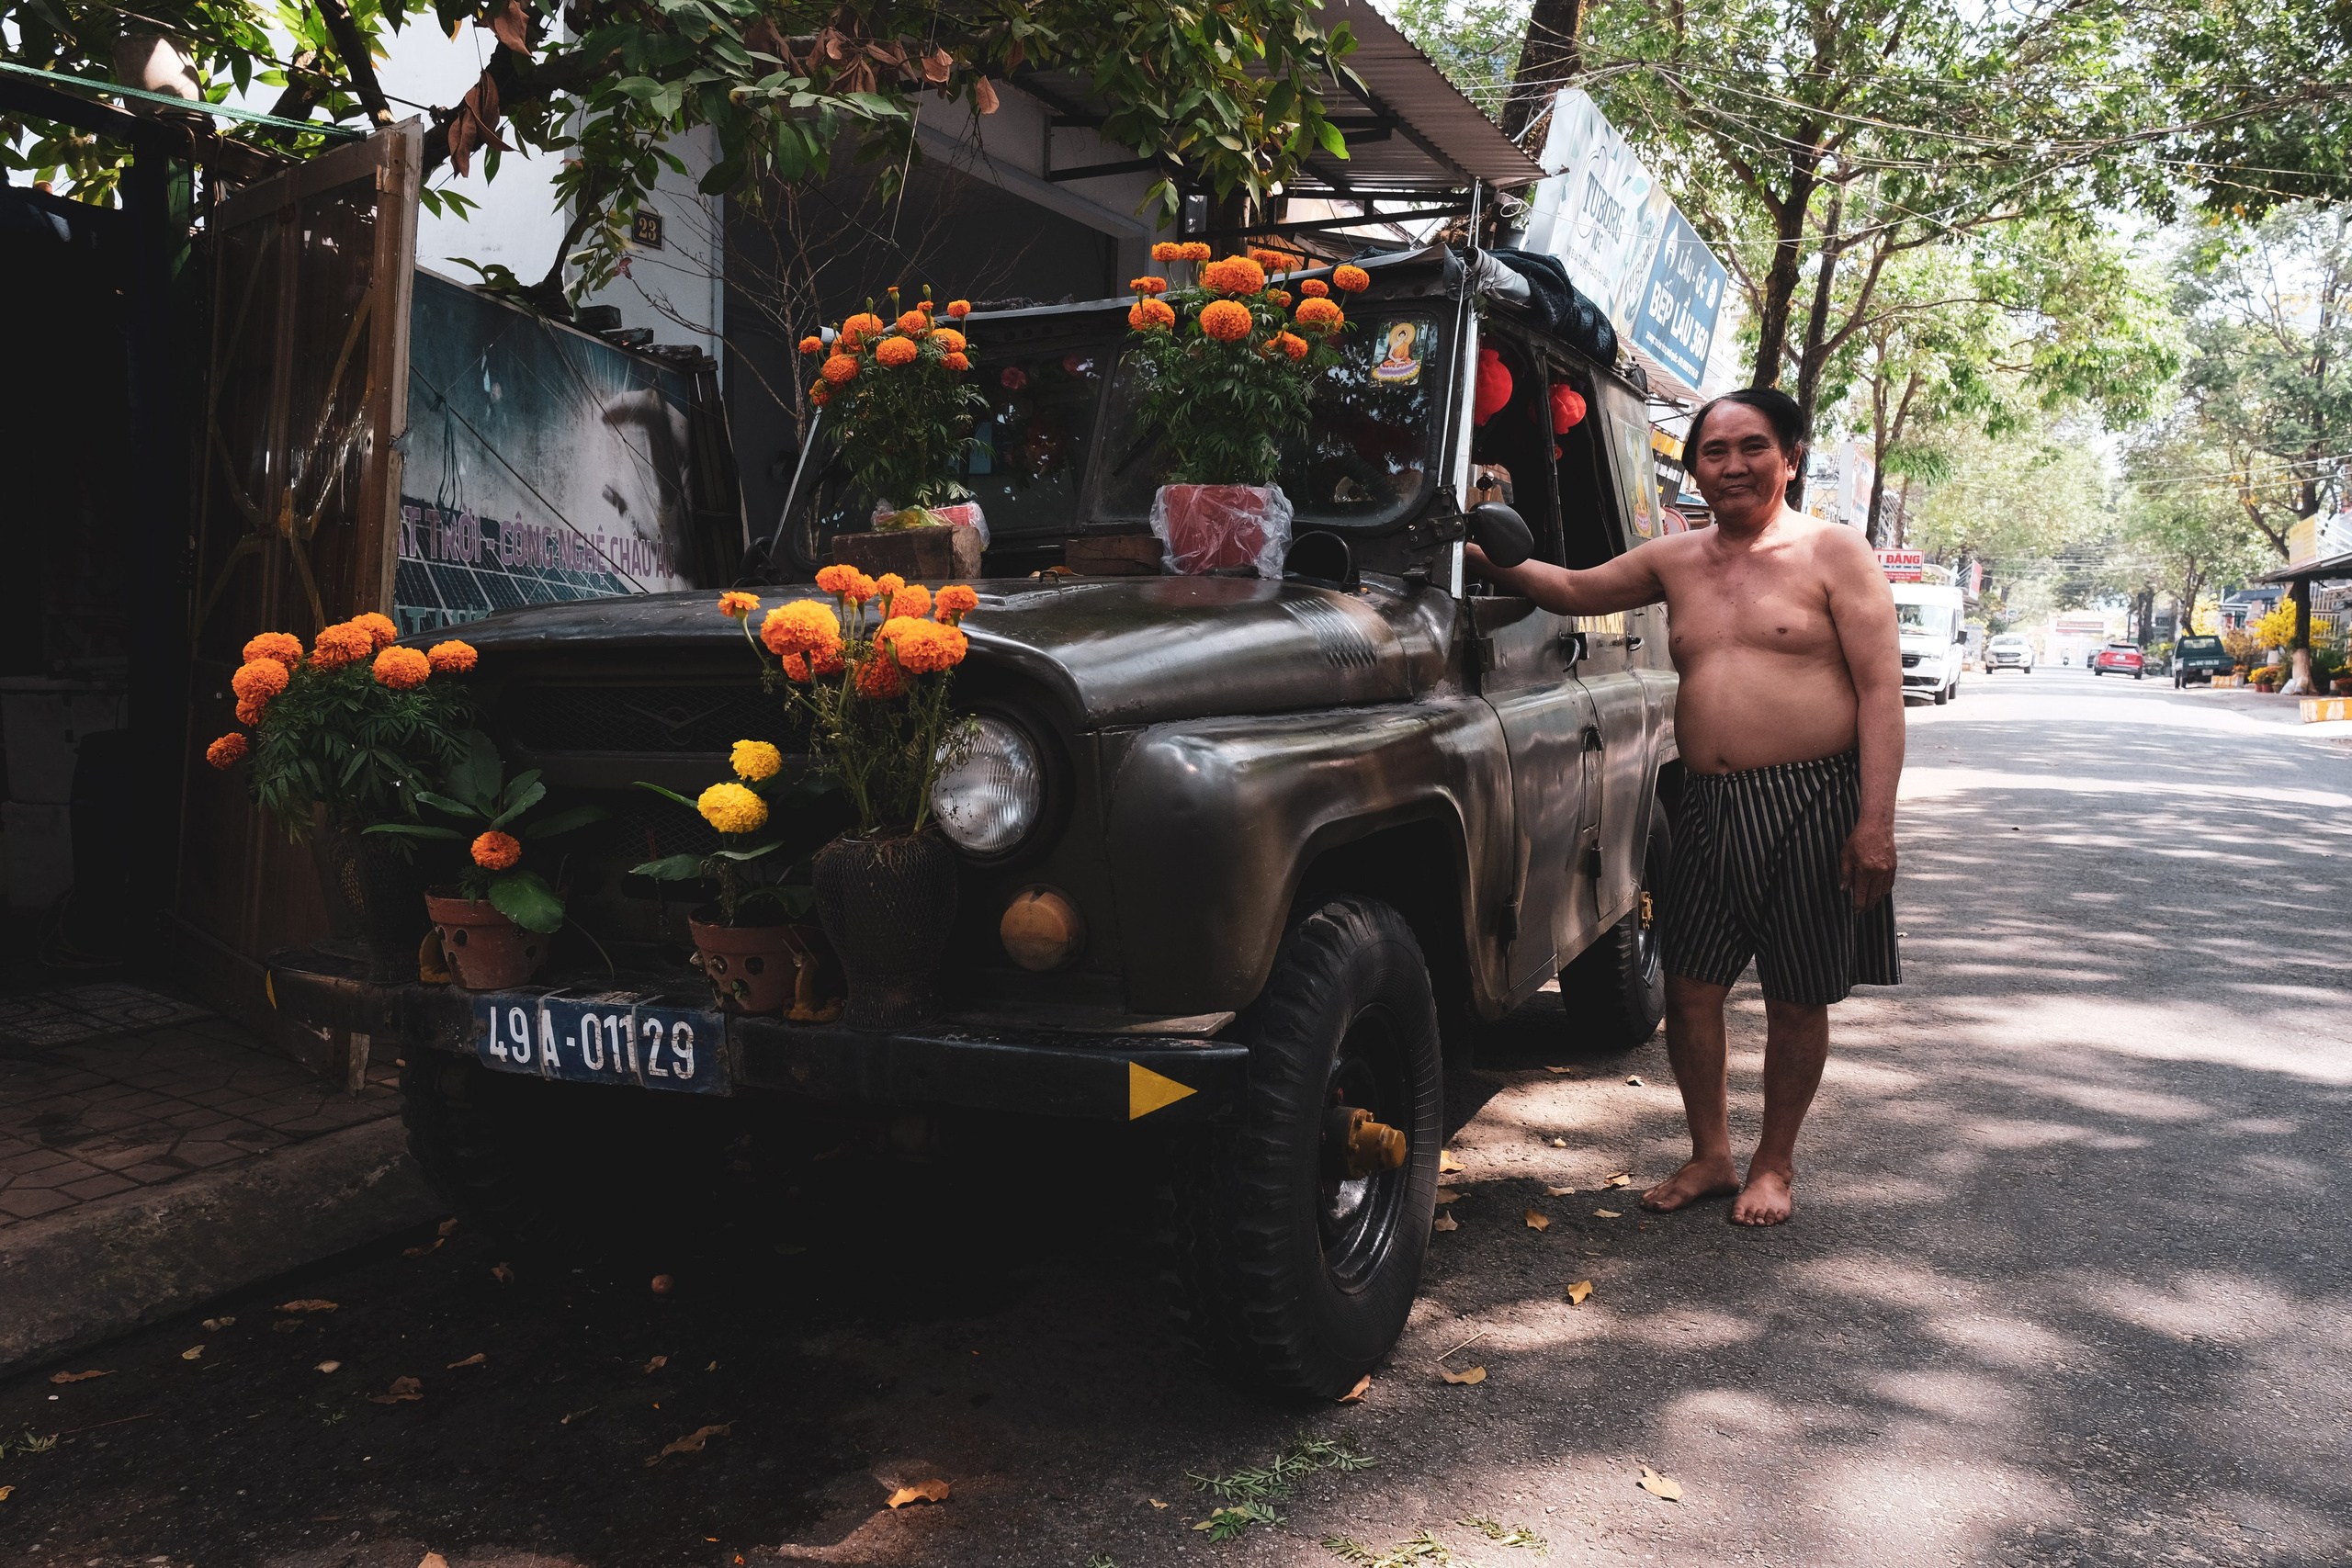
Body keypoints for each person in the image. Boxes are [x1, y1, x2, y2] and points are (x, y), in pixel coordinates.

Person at [1465, 388, 1903, 1225]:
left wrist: (1874, 821)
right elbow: (1568, 588)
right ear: (1694, 464)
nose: (1733, 465)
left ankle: (1774, 1164)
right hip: (1703, 801)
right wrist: (1482, 549)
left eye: (1753, 447)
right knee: (1692, 988)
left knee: (1797, 993)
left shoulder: (1835, 553)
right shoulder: (1676, 558)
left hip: (1813, 798)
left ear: (1791, 457)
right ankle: (1711, 1154)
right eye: (1714, 450)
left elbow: (1883, 693)